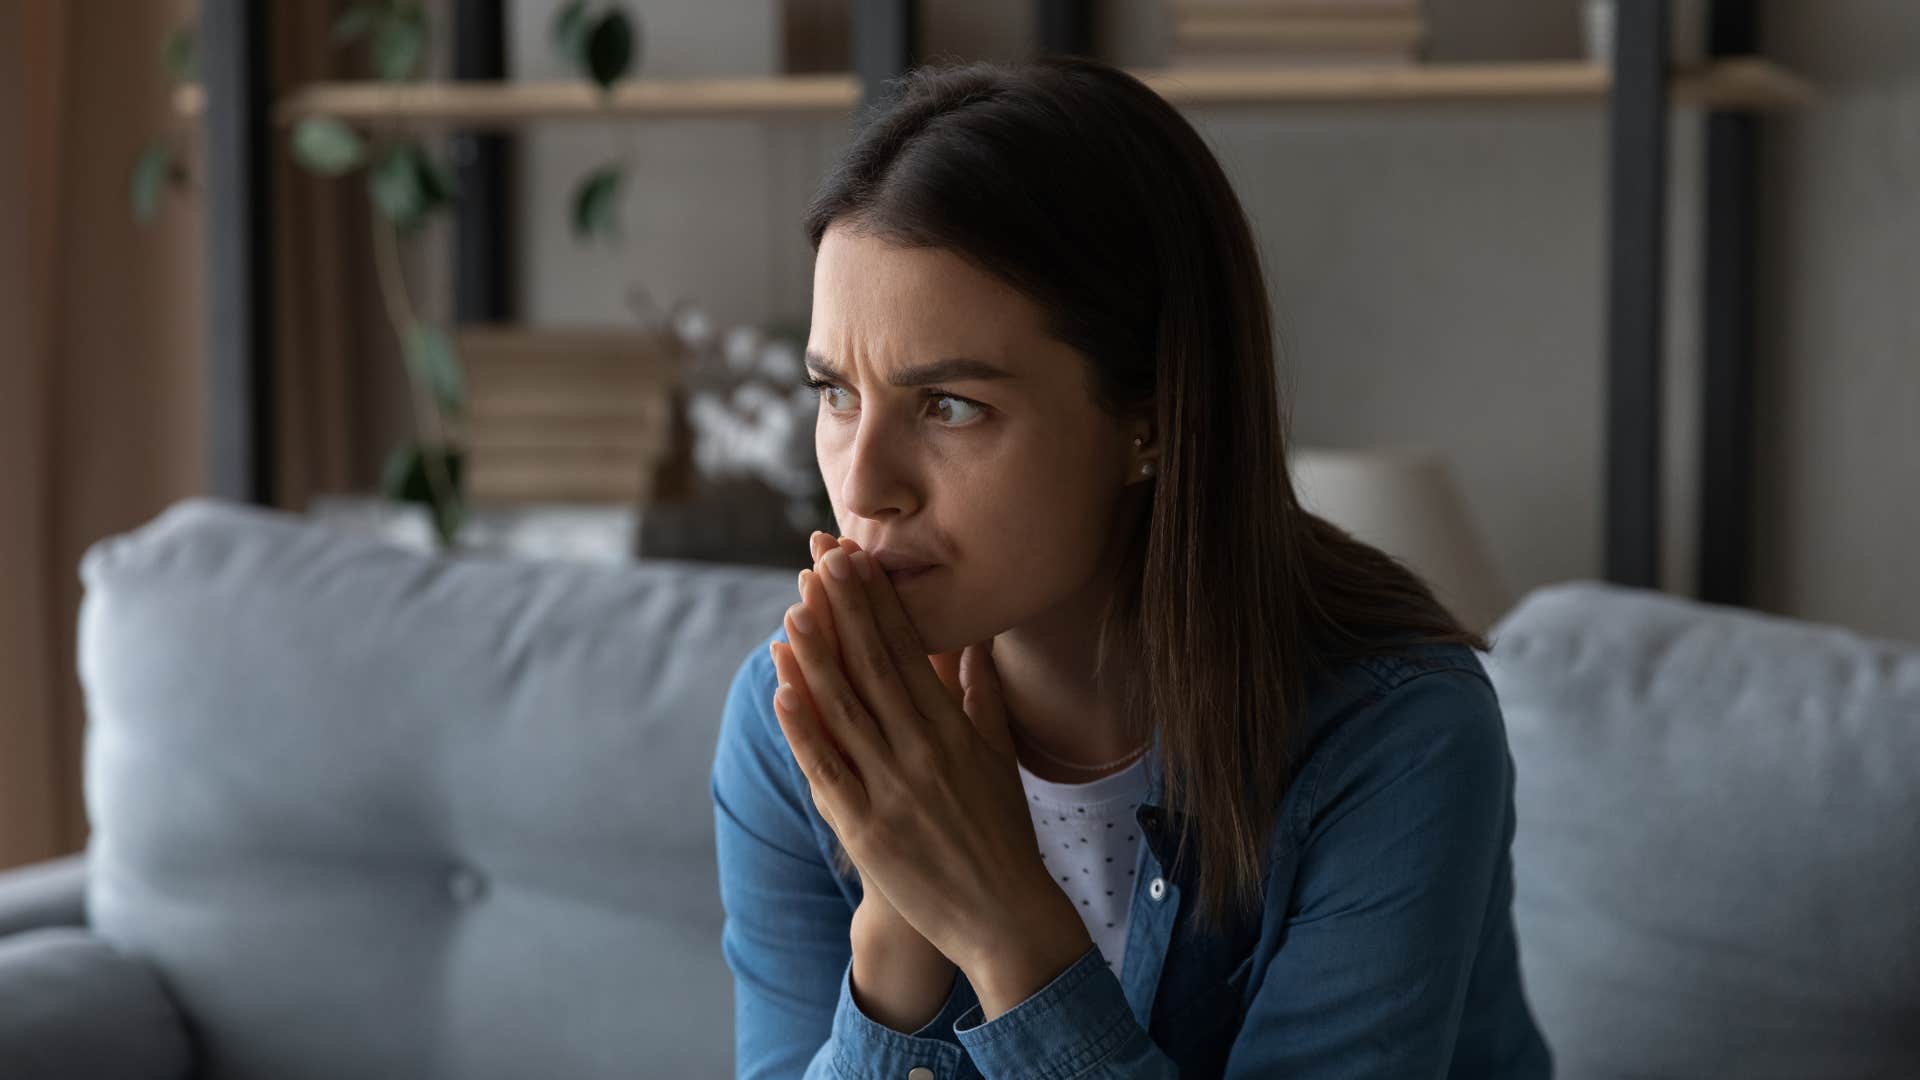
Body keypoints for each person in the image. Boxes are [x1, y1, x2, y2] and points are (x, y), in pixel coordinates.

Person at [709, 55, 1553, 1079]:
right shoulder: (789, 721)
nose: (864, 482)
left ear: (1149, 419)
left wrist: (1003, 927)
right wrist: (894, 935)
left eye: (951, 406)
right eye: (836, 393)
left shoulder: (1395, 735)